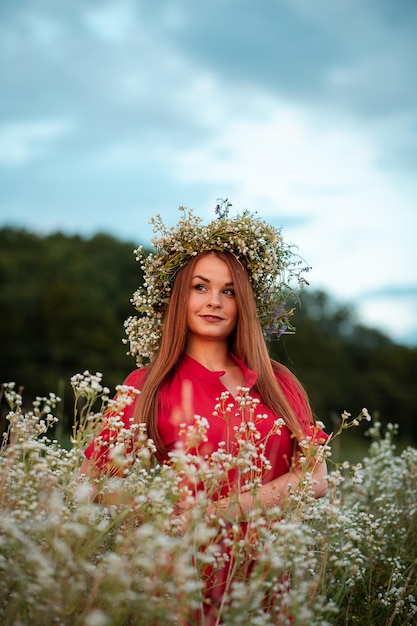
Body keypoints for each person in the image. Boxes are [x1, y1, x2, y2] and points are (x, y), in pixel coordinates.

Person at [79, 201, 328, 621]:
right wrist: (159, 513)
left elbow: (316, 479)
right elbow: (92, 482)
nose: (214, 301)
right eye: (200, 287)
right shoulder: (149, 384)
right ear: (179, 296)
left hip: (266, 585)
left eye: (228, 291)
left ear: (242, 302)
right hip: (183, 579)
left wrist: (214, 512)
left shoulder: (276, 381)